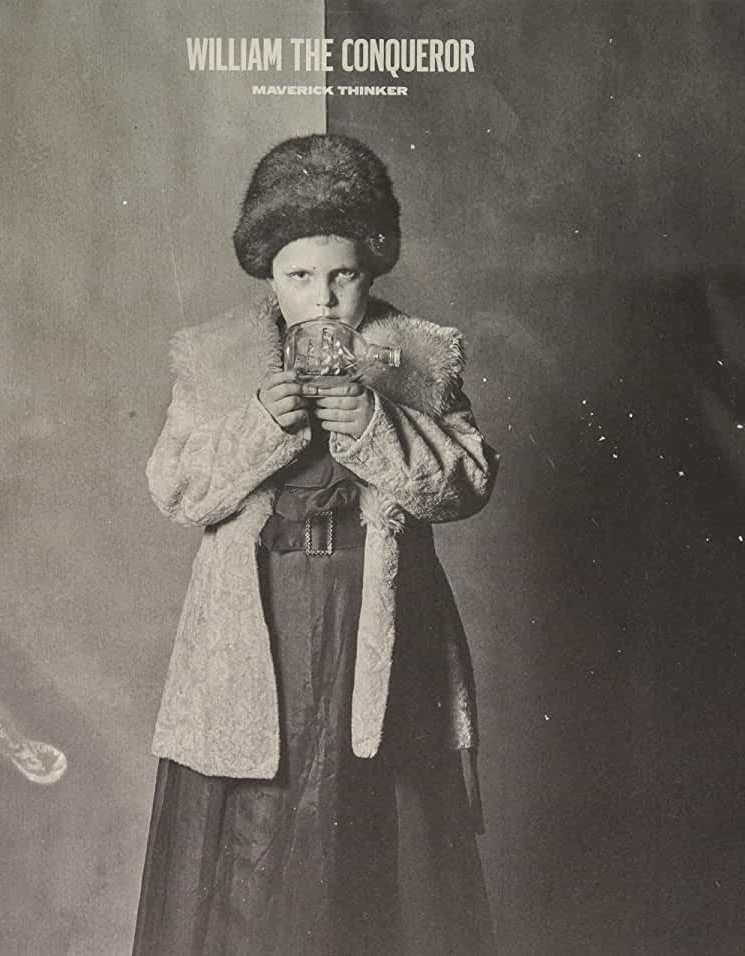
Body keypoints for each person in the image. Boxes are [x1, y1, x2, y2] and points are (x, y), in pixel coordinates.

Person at [133, 133, 500, 956]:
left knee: (379, 829)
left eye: (344, 275)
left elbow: (470, 483)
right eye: (300, 276)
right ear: (269, 273)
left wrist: (379, 425)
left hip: (379, 627)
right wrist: (260, 425)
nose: (324, 298)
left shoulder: (421, 355)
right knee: (256, 842)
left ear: (373, 266)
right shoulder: (216, 358)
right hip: (256, 627)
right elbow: (175, 489)